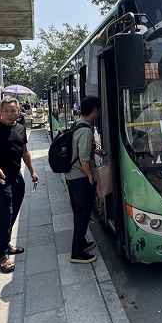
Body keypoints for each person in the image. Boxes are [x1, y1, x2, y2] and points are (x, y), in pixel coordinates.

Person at [0, 98, 40, 273]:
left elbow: (25, 151)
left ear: (18, 111)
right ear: (0, 111)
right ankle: (2, 254)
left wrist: (32, 171)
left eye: (13, 111)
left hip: (16, 175)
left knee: (14, 211)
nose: (10, 114)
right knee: (5, 214)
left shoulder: (20, 128)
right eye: (6, 111)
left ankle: (6, 242)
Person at [65, 95, 106, 264]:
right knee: (83, 214)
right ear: (95, 110)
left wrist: (95, 151)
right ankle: (77, 253)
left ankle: (81, 243)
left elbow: (79, 149)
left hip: (71, 176)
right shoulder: (87, 130)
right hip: (80, 178)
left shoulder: (78, 124)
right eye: (99, 109)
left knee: (79, 212)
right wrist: (90, 175)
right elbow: (83, 158)